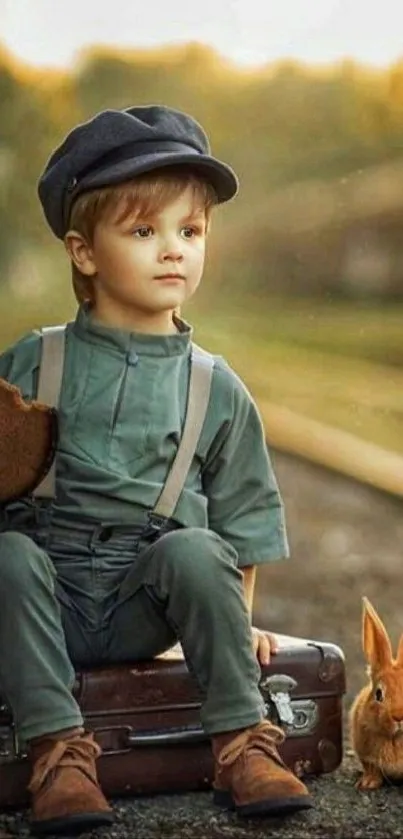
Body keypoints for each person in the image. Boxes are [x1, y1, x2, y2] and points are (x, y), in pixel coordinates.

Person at [0, 105, 313, 835]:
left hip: (144, 601)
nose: (173, 250)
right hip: (44, 594)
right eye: (144, 231)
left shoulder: (215, 386)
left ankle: (241, 744)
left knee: (198, 545)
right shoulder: (32, 361)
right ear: (83, 252)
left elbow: (242, 520)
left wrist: (235, 622)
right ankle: (58, 754)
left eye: (190, 231)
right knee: (8, 551)